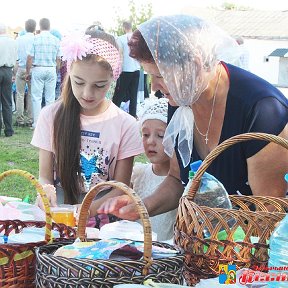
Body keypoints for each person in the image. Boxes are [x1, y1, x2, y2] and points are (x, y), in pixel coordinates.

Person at [98, 15, 288, 221]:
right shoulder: (181, 98)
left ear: (195, 66)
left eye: (160, 76)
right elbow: (176, 180)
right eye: (150, 76)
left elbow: (269, 213)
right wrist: (141, 208)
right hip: (208, 243)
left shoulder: (262, 110)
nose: (153, 87)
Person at [31, 29, 143, 209]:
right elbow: (45, 175)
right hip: (59, 212)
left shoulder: (125, 124)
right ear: (68, 74)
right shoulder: (50, 116)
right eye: (79, 82)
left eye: (99, 85)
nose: (87, 94)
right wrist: (46, 190)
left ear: (112, 79)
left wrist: (84, 213)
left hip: (102, 215)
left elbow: (120, 188)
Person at [131, 98, 177, 241]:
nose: (151, 141)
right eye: (145, 134)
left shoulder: (180, 184)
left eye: (160, 135)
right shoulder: (137, 175)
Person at [26, 18, 61, 128]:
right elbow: (59, 59)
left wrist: (28, 71)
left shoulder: (35, 39)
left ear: (40, 26)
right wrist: (56, 70)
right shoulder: (56, 40)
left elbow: (30, 57)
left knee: (36, 97)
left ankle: (37, 123)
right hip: (51, 68)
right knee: (50, 98)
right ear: (49, 26)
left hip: (38, 68)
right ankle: (49, 123)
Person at [112, 21, 140, 118]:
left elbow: (120, 55)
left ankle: (114, 112)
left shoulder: (121, 39)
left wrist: (118, 69)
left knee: (120, 93)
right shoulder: (138, 39)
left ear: (124, 27)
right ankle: (133, 115)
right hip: (136, 69)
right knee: (133, 94)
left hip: (126, 70)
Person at [15, 19, 36, 127]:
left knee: (20, 94)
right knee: (32, 95)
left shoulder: (19, 39)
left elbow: (16, 56)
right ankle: (30, 119)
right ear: (34, 28)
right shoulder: (36, 39)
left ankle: (20, 119)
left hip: (21, 68)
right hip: (33, 69)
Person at [0, 23, 18, 137]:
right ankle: (9, 130)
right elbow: (16, 61)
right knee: (7, 102)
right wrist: (14, 74)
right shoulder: (13, 42)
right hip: (8, 71)